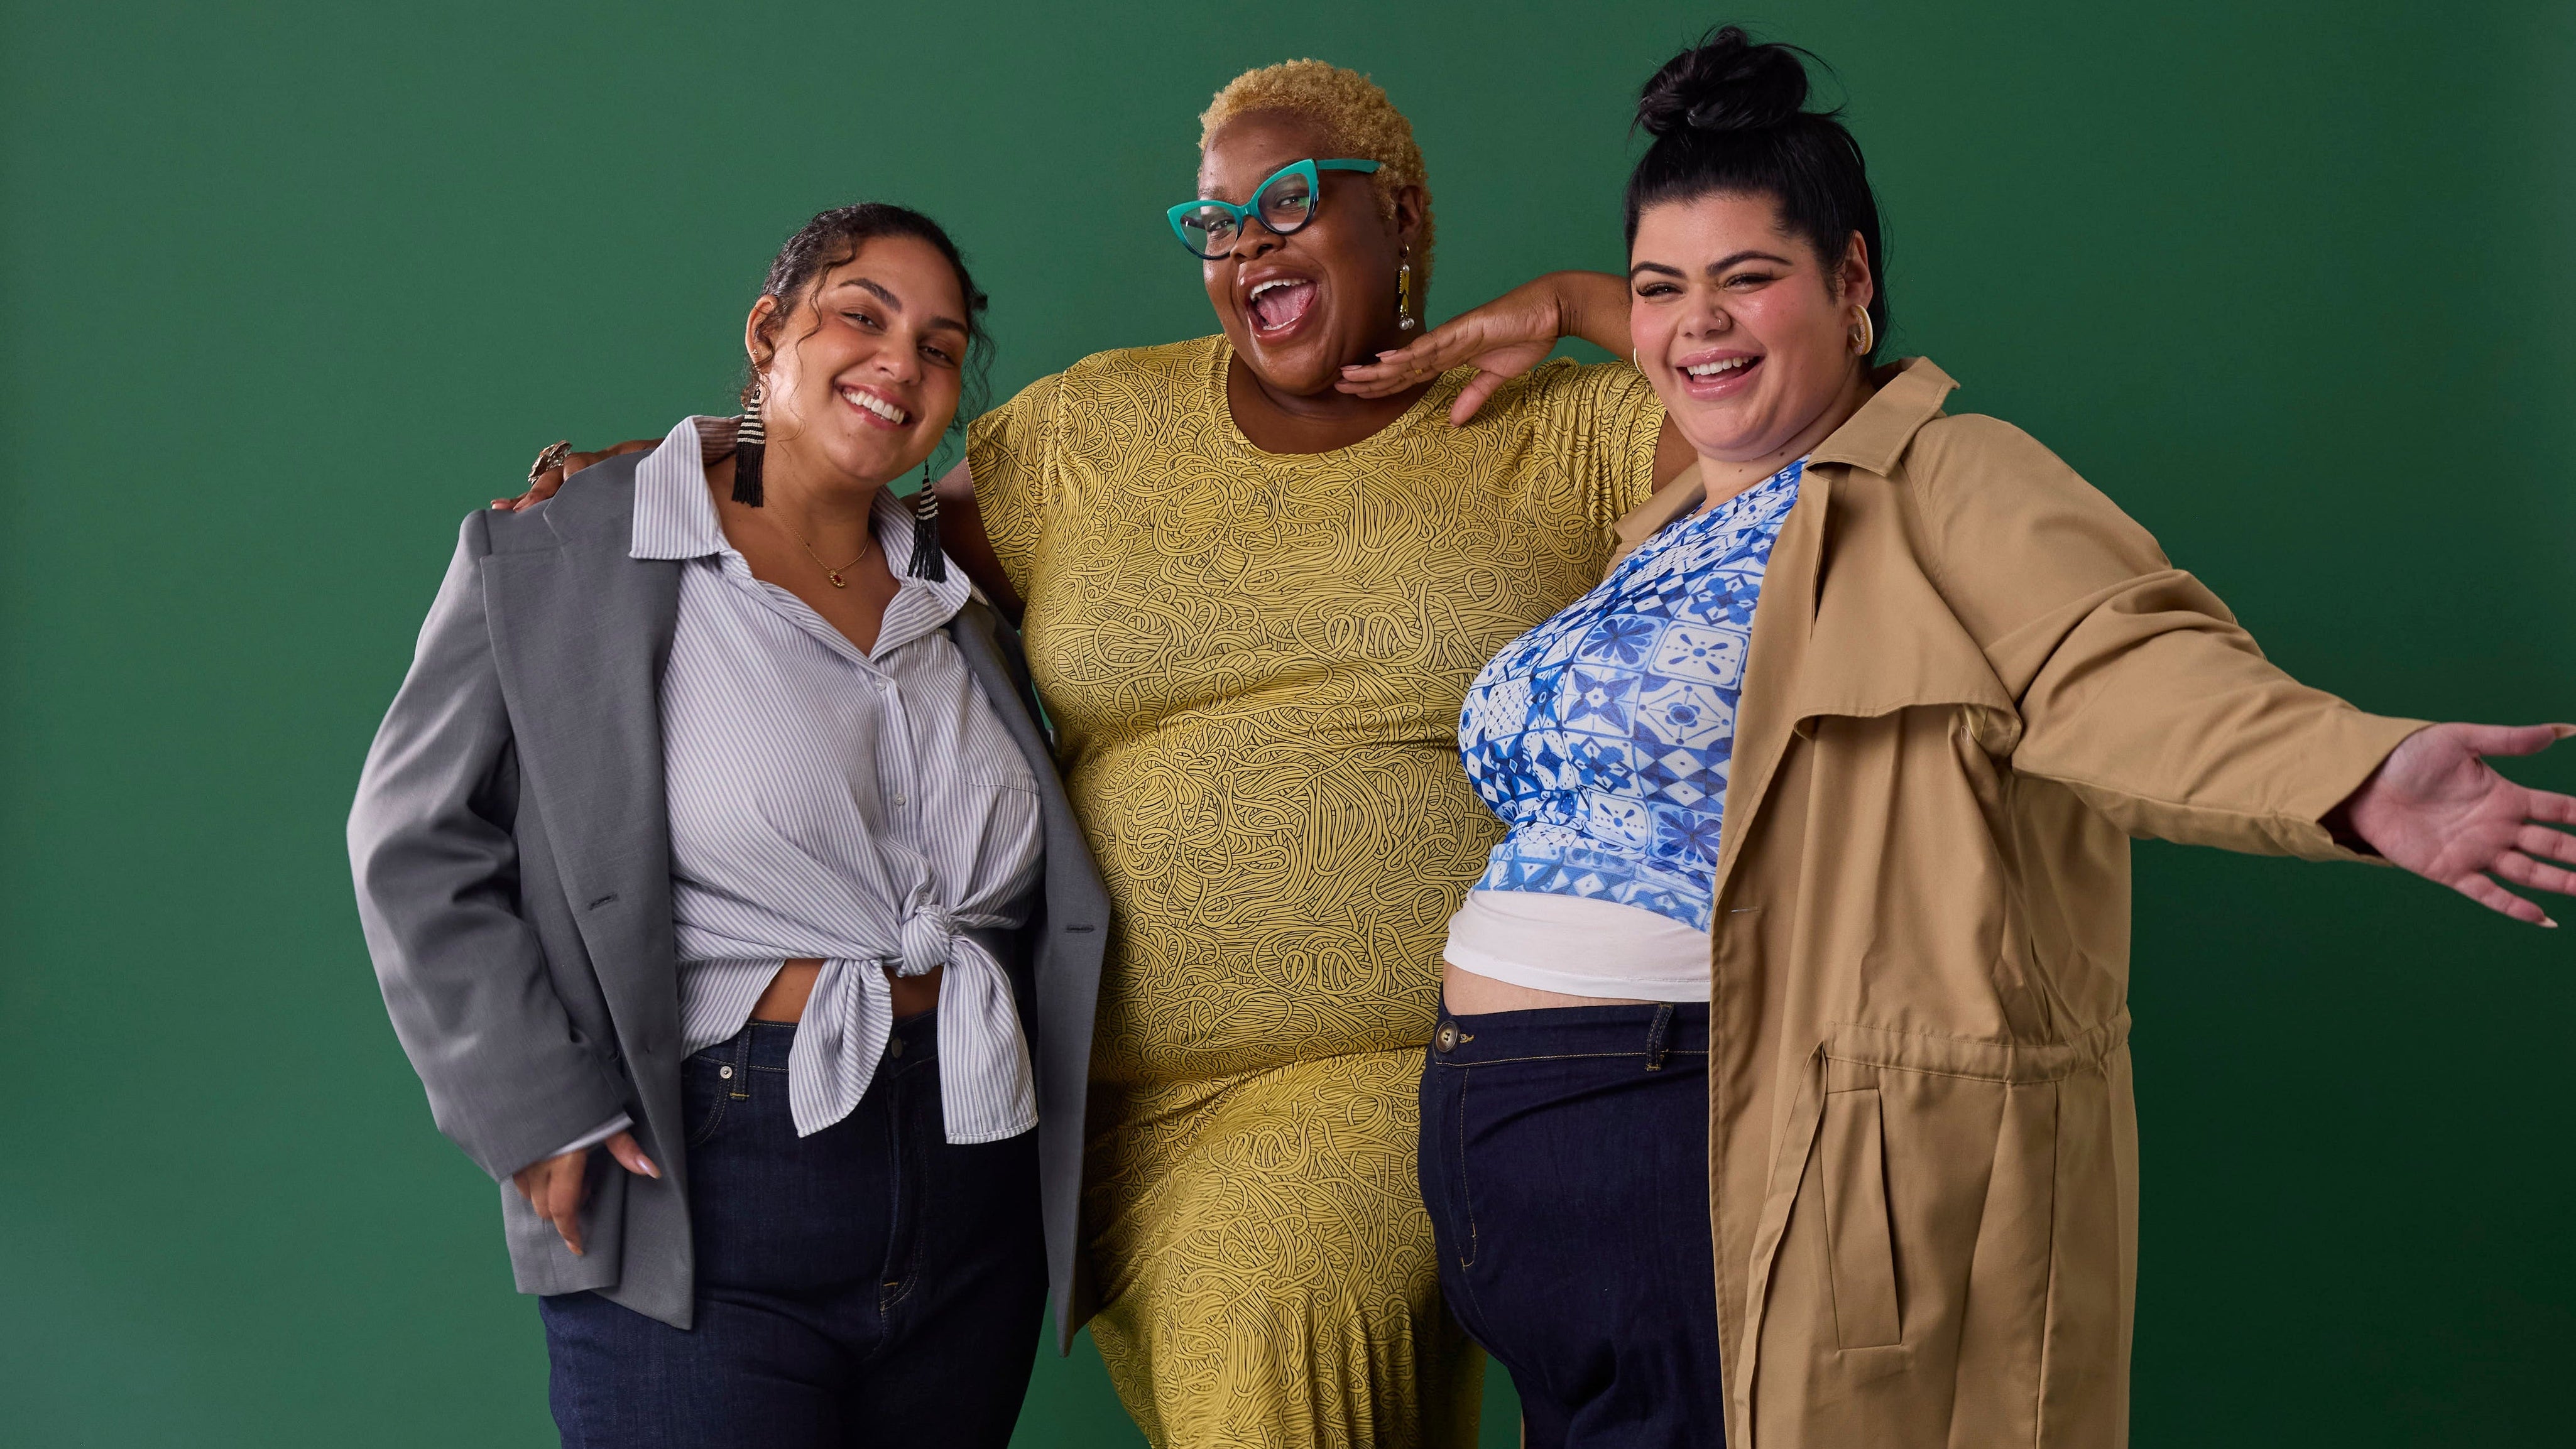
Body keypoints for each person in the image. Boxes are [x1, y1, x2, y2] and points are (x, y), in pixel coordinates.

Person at [1343, 27, 2576, 1448]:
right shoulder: (1678, 515)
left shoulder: (1944, 484)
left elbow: (2121, 662)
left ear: (1853, 282)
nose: (1697, 325)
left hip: (1695, 1140)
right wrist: (1573, 302)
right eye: (1660, 290)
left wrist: (2352, 776)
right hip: (1526, 1176)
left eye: (1751, 278)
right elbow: (1680, 359)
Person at [514, 59, 1694, 1449]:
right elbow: (845, 520)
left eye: (1293, 199)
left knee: (1281, 1301)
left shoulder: (1554, 431)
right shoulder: (1094, 431)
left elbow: (1794, 423)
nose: (1250, 239)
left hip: (1394, 1059)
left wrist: (1576, 304)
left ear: (1405, 214)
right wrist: (678, 466)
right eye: (1218, 222)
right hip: (1099, 1111)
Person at [349, 204, 1110, 1448]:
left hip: (976, 1174)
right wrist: (534, 1103)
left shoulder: (956, 579)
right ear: (768, 332)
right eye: (859, 316)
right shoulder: (562, 553)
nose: (900, 364)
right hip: (716, 1170)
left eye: (938, 345)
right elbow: (411, 835)